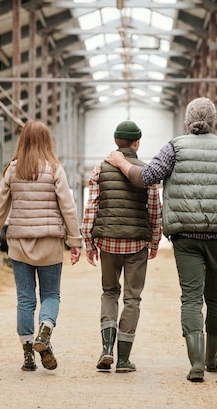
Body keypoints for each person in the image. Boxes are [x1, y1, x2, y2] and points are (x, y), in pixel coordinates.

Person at [106, 97, 217, 382]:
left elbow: (148, 177)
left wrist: (120, 162)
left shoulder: (175, 147)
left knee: (191, 298)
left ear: (187, 123)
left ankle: (196, 364)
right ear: (213, 122)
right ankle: (212, 359)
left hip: (186, 235)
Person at [0, 120, 82, 372]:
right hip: (50, 243)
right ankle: (45, 333)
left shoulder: (11, 170)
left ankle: (28, 357)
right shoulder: (55, 169)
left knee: (25, 300)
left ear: (23, 140)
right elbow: (68, 207)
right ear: (47, 141)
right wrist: (75, 241)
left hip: (19, 244)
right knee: (51, 295)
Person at [81, 120, 163, 373]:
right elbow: (155, 210)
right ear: (136, 142)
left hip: (107, 241)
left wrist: (89, 241)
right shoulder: (146, 172)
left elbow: (91, 207)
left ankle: (106, 349)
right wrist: (155, 239)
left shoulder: (100, 170)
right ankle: (124, 359)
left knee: (109, 292)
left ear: (116, 141)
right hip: (137, 242)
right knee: (132, 298)